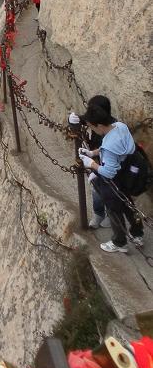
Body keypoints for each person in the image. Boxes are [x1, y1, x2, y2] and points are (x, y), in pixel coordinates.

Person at [79, 102, 145, 253]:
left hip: (115, 180)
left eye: (92, 126)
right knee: (129, 206)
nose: (92, 129)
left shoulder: (109, 145)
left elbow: (108, 171)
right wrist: (93, 153)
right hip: (129, 173)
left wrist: (90, 163)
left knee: (114, 210)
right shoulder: (120, 126)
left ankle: (120, 242)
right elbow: (112, 149)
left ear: (100, 126)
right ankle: (137, 234)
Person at [69, 95, 114, 228]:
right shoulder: (96, 121)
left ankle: (111, 216)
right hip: (97, 163)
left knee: (109, 192)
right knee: (96, 191)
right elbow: (84, 120)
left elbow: (108, 155)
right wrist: (73, 119)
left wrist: (96, 169)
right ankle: (99, 214)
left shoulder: (112, 132)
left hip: (107, 167)